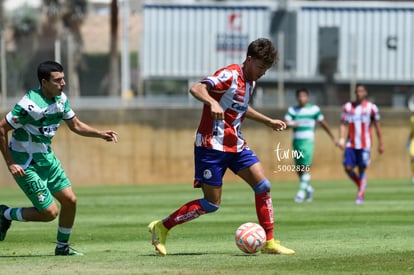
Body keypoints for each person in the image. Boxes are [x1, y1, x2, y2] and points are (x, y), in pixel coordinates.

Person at [148, 38, 295, 256]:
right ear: (249, 59)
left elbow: (241, 108)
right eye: (261, 67)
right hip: (211, 146)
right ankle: (162, 226)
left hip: (236, 144)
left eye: (267, 68)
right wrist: (212, 102)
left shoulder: (251, 81)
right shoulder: (230, 74)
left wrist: (268, 121)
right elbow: (196, 88)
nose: (263, 72)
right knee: (211, 204)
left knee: (263, 185)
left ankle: (269, 242)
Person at [0, 61, 118, 255]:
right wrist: (11, 163)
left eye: (63, 79)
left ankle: (62, 247)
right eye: (57, 80)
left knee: (70, 200)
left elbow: (76, 125)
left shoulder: (61, 99)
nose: (63, 83)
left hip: (47, 158)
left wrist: (100, 133)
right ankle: (4, 214)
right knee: (49, 213)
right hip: (25, 163)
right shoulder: (29, 105)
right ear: (44, 82)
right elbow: (2, 128)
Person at [285, 88, 336, 203]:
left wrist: (332, 136)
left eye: (304, 96)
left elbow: (323, 123)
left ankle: (300, 193)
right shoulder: (293, 110)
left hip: (307, 142)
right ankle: (308, 188)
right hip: (296, 143)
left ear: (307, 97)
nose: (301, 98)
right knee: (299, 169)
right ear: (297, 98)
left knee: (305, 167)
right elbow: (285, 124)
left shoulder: (314, 110)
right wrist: (292, 124)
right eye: (299, 96)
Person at [337, 84, 384, 204]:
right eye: (357, 91)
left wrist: (381, 143)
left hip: (365, 144)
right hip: (351, 143)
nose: (359, 93)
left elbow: (378, 127)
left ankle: (360, 194)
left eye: (361, 91)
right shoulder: (348, 107)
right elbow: (343, 123)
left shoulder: (372, 108)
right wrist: (341, 138)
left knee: (362, 169)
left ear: (365, 93)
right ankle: (361, 184)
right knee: (347, 168)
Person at [407, 113, 414, 184]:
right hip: (413, 141)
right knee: (412, 158)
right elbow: (412, 131)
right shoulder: (412, 119)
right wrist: (408, 141)